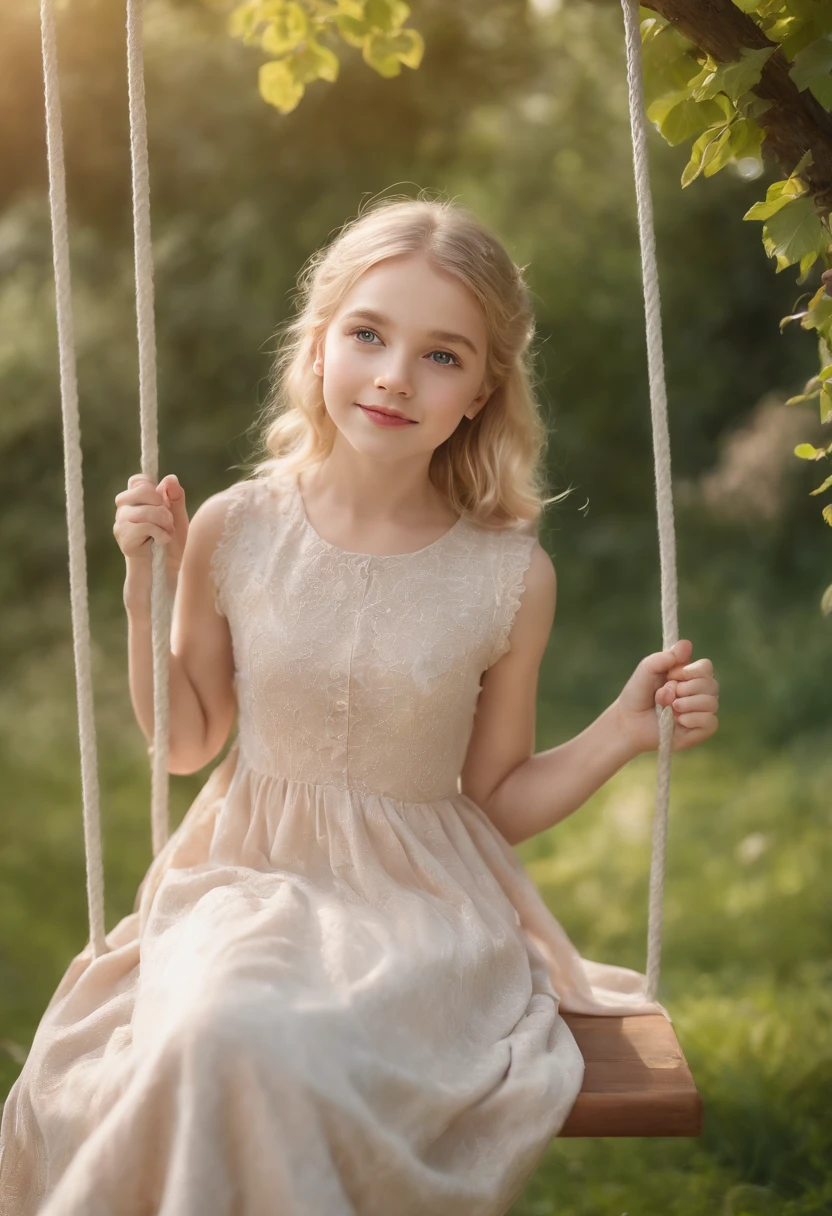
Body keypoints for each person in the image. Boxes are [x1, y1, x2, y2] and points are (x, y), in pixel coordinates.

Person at [0, 195, 719, 1215]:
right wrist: (143, 591)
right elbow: (187, 740)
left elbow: (491, 797)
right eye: (369, 335)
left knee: (274, 1044)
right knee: (220, 1028)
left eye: (441, 355)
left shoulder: (508, 575)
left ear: (480, 393)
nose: (393, 376)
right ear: (319, 344)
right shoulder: (236, 525)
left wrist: (619, 731)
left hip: (419, 909)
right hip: (246, 876)